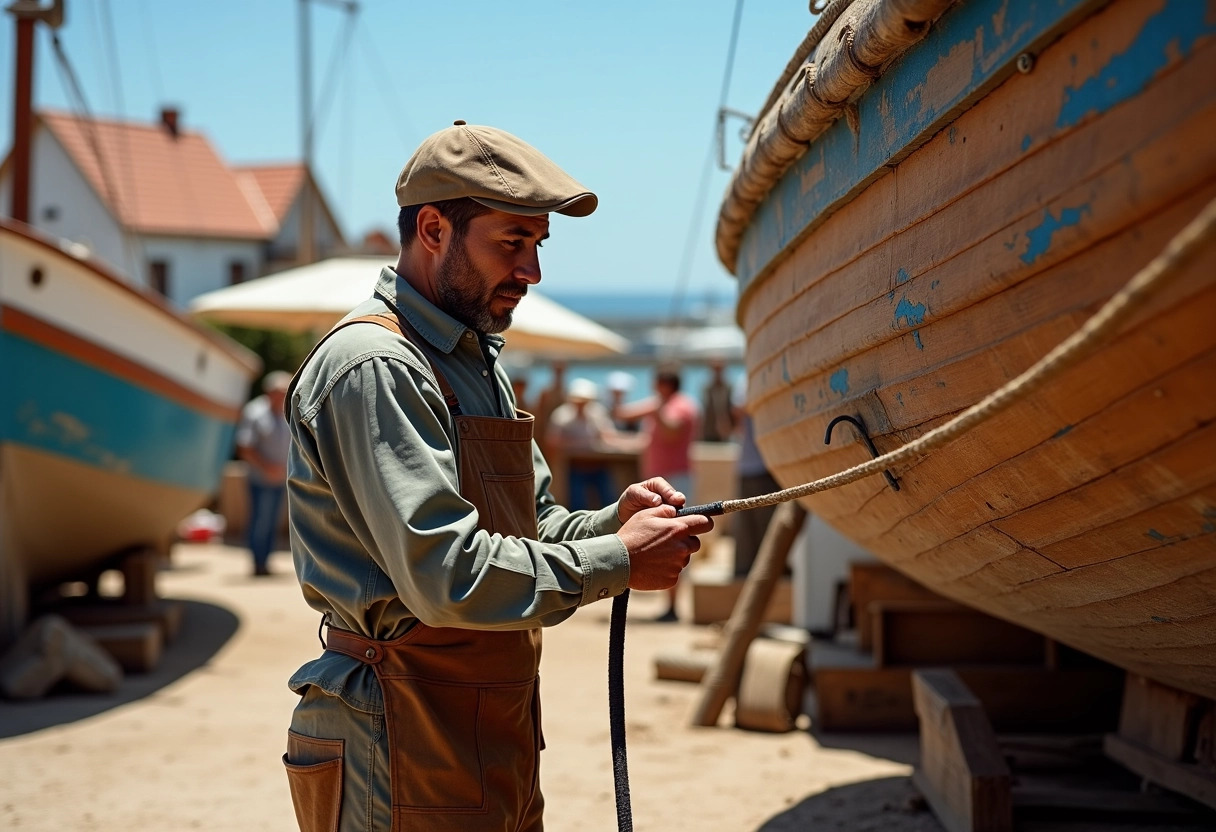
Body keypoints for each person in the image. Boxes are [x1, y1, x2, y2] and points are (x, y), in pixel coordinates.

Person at [280, 121, 713, 832]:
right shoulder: (378, 366)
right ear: (432, 229)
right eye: (511, 242)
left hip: (489, 723)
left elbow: (531, 527)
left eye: (537, 245)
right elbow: (446, 574)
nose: (532, 271)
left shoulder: (472, 360)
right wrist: (619, 559)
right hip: (400, 725)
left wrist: (616, 522)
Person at [613, 365, 701, 621]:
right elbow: (624, 416)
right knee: (663, 541)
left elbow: (672, 430)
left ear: (664, 384)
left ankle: (675, 606)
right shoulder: (659, 405)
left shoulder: (682, 405)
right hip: (663, 482)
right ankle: (670, 604)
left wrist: (655, 409)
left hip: (676, 482)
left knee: (677, 542)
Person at [235, 370, 292, 577]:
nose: (285, 395)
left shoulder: (287, 411)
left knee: (272, 522)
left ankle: (265, 561)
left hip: (280, 478)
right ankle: (257, 563)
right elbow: (244, 447)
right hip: (260, 478)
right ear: (270, 392)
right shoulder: (254, 412)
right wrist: (267, 467)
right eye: (282, 392)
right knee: (260, 521)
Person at [545, 377, 618, 510]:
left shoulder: (598, 413)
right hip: (575, 468)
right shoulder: (562, 415)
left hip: (598, 466)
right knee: (577, 505)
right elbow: (553, 442)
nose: (581, 404)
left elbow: (609, 435)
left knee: (609, 502)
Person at [700, 359, 736, 442]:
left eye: (719, 369)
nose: (717, 371)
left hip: (725, 432)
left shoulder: (728, 387)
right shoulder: (707, 388)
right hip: (709, 430)